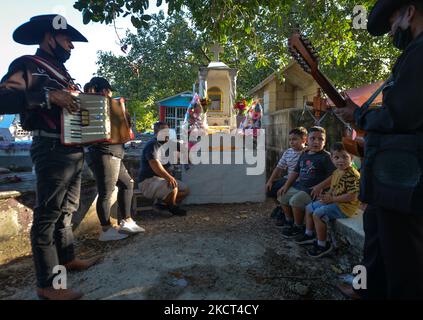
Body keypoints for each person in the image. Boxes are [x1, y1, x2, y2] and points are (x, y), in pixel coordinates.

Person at [0, 14, 100, 300]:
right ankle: (48, 285)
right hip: (50, 149)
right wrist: (47, 97)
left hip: (72, 151)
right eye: (67, 39)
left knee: (67, 211)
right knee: (47, 216)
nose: (71, 45)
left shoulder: (63, 74)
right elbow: (4, 98)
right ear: (49, 37)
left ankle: (66, 261)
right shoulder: (27, 66)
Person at [335, 0, 423, 299]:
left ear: (409, 12)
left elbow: (401, 114)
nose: (390, 32)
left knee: (403, 257)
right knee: (377, 236)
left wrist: (359, 116)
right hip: (389, 182)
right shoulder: (412, 55)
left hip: (404, 181)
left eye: (391, 23)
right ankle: (367, 290)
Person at [84, 77, 145, 241]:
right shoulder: (93, 106)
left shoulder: (98, 106)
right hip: (104, 153)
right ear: (105, 91)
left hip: (114, 153)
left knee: (127, 183)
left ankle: (126, 220)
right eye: (110, 91)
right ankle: (105, 230)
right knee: (106, 191)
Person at [295, 142, 360, 258]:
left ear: (352, 157)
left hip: (345, 207)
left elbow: (353, 196)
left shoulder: (352, 174)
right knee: (309, 207)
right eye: (336, 157)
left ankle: (322, 245)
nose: (340, 161)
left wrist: (332, 199)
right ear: (332, 158)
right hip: (334, 201)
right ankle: (309, 234)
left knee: (318, 214)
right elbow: (333, 187)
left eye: (345, 157)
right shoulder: (336, 172)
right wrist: (327, 196)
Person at [278, 126, 336, 239]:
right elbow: (295, 172)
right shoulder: (304, 154)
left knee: (296, 200)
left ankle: (298, 226)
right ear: (307, 140)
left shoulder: (326, 157)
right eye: (313, 138)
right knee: (282, 195)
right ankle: (289, 220)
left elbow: (334, 175)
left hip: (313, 190)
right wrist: (286, 186)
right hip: (301, 186)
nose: (316, 142)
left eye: (321, 139)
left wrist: (320, 186)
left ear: (325, 142)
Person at [138, 121, 189, 216]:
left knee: (185, 190)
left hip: (160, 180)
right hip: (148, 181)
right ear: (156, 133)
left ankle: (162, 204)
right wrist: (168, 177)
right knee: (173, 186)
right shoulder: (153, 144)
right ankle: (173, 207)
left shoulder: (168, 143)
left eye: (168, 131)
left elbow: (182, 148)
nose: (167, 133)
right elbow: (154, 164)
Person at [266, 127, 307, 226]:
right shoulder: (288, 152)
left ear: (304, 139)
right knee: (269, 189)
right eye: (290, 140)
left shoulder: (307, 152)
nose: (292, 142)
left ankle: (289, 216)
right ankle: (282, 208)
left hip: (299, 180)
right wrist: (270, 181)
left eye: (295, 139)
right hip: (288, 178)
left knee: (282, 192)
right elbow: (279, 167)